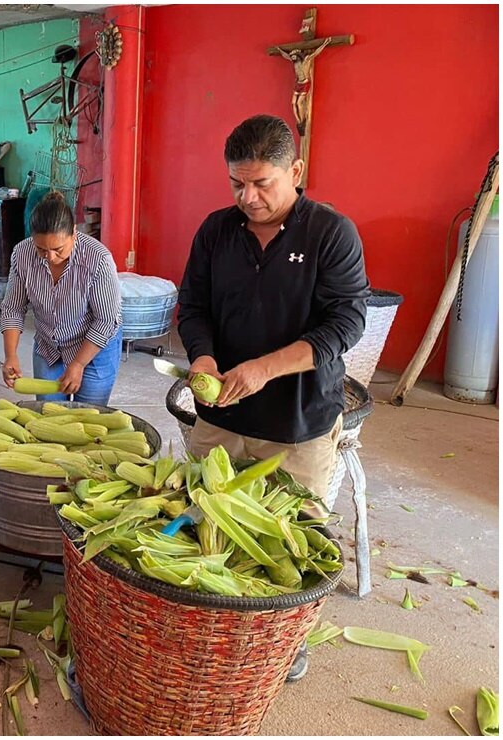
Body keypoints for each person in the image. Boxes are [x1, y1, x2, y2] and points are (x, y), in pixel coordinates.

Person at [176, 114, 369, 681]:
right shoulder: (216, 230)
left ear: (296, 172)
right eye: (237, 183)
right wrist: (203, 357)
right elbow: (194, 307)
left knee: (292, 543)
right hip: (220, 416)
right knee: (200, 517)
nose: (249, 196)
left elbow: (347, 322)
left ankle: (284, 644)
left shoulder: (331, 234)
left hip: (298, 420)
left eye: (262, 183)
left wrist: (266, 368)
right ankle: (207, 625)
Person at [0, 190, 123, 406]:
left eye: (58, 249)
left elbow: (106, 320)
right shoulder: (22, 253)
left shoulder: (98, 259)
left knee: (89, 417)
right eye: (41, 249)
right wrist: (10, 355)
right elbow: (13, 308)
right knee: (49, 413)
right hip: (49, 346)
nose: (50, 258)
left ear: (74, 234)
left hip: (93, 348)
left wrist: (78, 364)